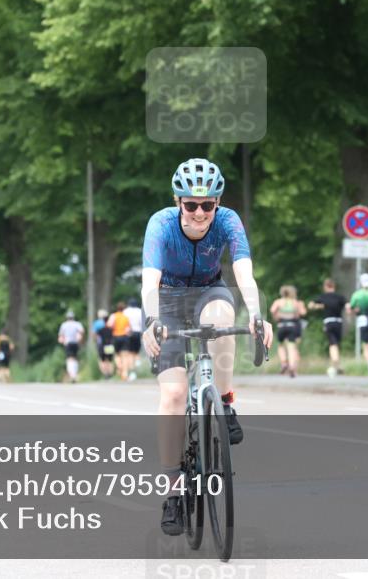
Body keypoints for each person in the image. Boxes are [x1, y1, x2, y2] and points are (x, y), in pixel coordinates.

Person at [140, 158, 273, 537]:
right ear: (177, 202)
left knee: (221, 324)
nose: (200, 213)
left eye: (207, 205)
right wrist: (152, 320)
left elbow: (243, 270)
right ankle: (173, 494)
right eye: (191, 205)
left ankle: (226, 401)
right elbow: (150, 279)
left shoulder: (228, 221)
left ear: (217, 202)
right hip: (165, 301)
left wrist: (257, 312)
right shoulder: (161, 224)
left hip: (208, 291)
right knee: (174, 395)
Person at [307, 278, 347, 377]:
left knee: (332, 344)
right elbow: (348, 306)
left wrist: (319, 306)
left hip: (328, 322)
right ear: (334, 286)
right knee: (336, 344)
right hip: (339, 322)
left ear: (325, 287)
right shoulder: (340, 297)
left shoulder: (323, 297)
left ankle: (335, 364)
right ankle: (338, 365)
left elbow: (310, 305)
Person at [270, 285, 306, 378]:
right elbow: (303, 312)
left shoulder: (278, 302)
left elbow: (272, 310)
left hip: (281, 325)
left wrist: (276, 317)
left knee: (281, 345)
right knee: (291, 347)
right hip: (292, 325)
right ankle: (292, 366)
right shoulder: (295, 302)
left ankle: (283, 363)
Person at [58, 310, 85, 383]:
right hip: (76, 342)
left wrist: (62, 341)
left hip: (68, 343)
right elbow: (82, 332)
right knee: (75, 358)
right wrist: (80, 339)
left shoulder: (64, 325)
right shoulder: (77, 324)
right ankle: (75, 374)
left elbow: (61, 336)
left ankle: (72, 375)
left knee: (69, 358)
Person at [108, 302, 133, 381]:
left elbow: (109, 325)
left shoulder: (113, 316)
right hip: (124, 337)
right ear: (123, 309)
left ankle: (120, 367)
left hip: (116, 336)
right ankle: (125, 373)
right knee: (125, 356)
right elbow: (129, 329)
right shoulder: (126, 317)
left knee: (116, 355)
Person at [124, 298, 145, 381]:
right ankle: (137, 363)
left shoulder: (125, 311)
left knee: (130, 353)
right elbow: (142, 323)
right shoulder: (139, 311)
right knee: (136, 352)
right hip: (137, 333)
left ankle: (132, 372)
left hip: (129, 333)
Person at [92, 309, 115, 379]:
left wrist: (96, 340)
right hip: (110, 344)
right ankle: (110, 373)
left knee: (102, 359)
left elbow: (94, 334)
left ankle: (105, 373)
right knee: (109, 359)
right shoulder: (110, 324)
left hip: (101, 344)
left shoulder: (96, 323)